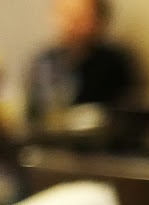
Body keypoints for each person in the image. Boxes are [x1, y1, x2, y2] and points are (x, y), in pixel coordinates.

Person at [26, 0, 141, 129]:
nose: (71, 22)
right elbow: (33, 113)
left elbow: (128, 114)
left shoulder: (114, 63)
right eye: (64, 14)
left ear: (99, 20)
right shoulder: (44, 62)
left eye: (80, 16)